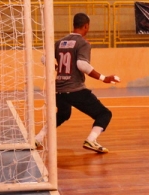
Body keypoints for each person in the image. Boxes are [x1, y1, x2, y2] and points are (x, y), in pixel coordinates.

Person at [34, 13, 119, 154]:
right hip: (75, 90)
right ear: (86, 26)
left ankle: (38, 138)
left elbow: (44, 59)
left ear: (74, 25)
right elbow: (82, 65)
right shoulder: (83, 43)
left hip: (59, 90)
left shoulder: (59, 42)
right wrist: (104, 78)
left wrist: (58, 67)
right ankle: (91, 140)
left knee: (63, 114)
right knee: (104, 114)